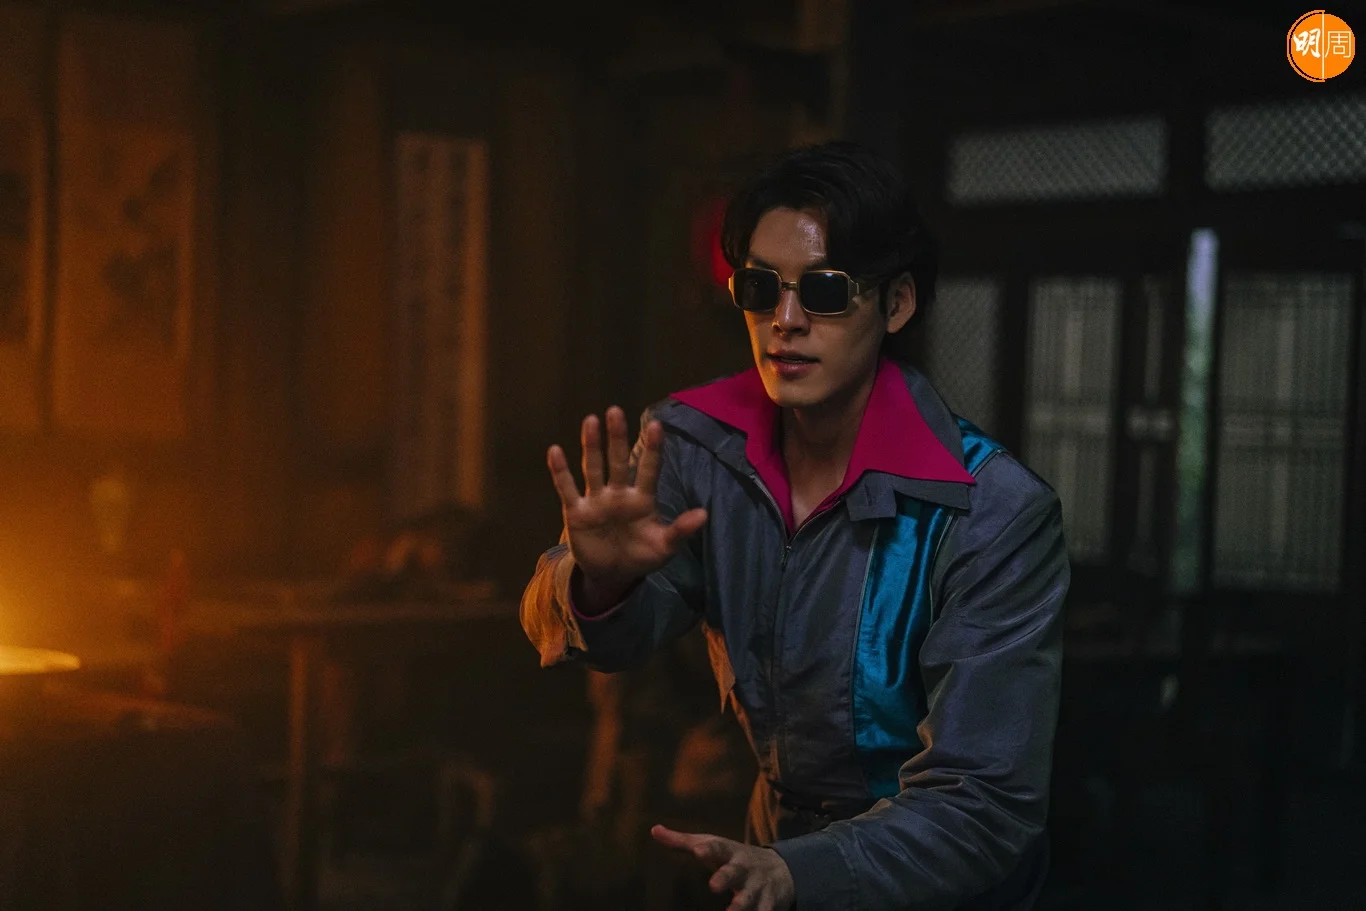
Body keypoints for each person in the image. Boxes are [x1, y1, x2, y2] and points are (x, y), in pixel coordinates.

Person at [521, 141, 1069, 911]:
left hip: (936, 886)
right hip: (771, 859)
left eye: (825, 290)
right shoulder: (694, 447)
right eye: (759, 288)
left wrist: (798, 871)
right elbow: (599, 635)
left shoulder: (992, 511)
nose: (784, 320)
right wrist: (600, 582)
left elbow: (985, 803)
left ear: (897, 303)